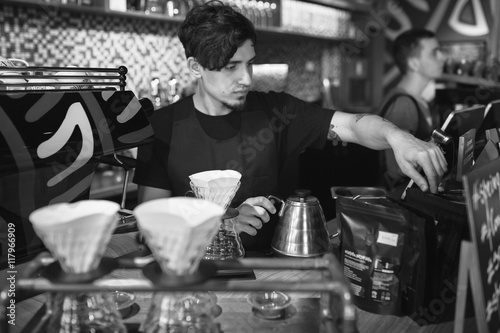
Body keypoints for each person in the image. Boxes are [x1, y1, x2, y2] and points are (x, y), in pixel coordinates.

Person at [133, 1, 447, 252]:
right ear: (195, 67)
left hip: (268, 276)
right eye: (231, 67)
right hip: (188, 275)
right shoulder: (161, 128)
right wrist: (225, 223)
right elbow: (149, 228)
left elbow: (351, 126)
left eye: (249, 63)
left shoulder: (276, 112)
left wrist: (397, 137)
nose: (246, 78)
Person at [378, 28, 446, 189]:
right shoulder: (403, 104)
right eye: (434, 52)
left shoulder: (420, 100)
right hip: (402, 199)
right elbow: (397, 170)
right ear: (414, 63)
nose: (442, 57)